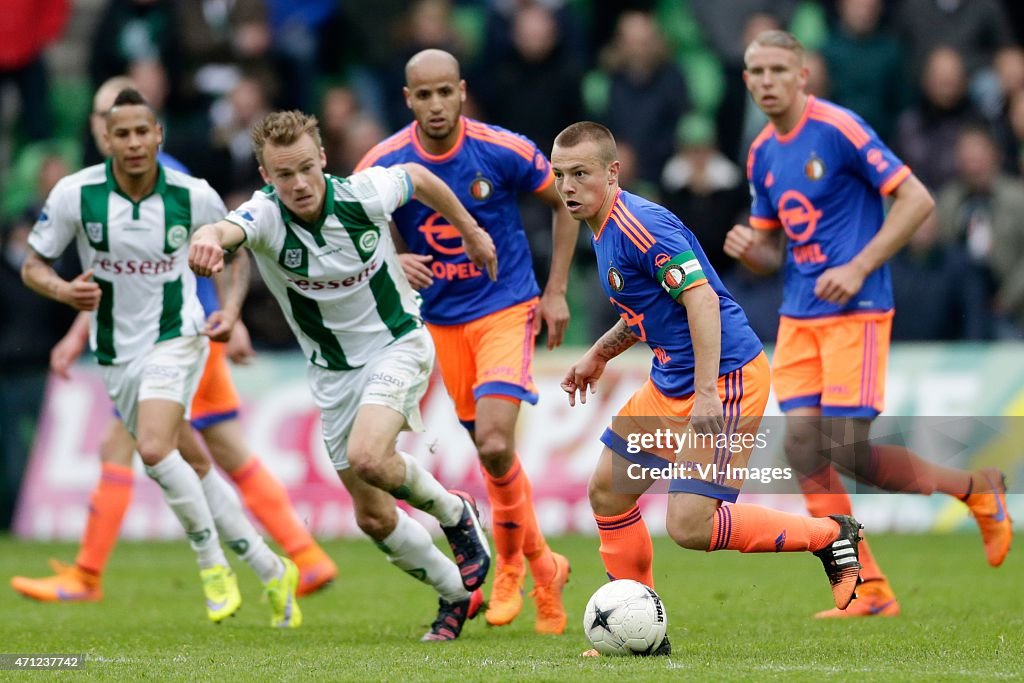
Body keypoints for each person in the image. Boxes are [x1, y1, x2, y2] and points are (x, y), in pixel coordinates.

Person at [10, 76, 337, 605]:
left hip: (185, 334)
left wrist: (228, 317)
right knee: (208, 456)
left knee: (149, 447)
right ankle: (286, 562)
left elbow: (224, 251)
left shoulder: (181, 187)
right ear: (104, 133)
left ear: (155, 131)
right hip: (122, 345)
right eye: (106, 121)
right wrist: (76, 323)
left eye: (138, 127)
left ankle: (101, 574)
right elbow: (105, 276)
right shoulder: (81, 192)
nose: (123, 136)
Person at [723, 30, 1012, 618]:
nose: (767, 81)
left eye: (779, 69)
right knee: (804, 449)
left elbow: (917, 200)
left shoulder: (840, 129)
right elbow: (773, 251)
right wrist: (751, 252)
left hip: (856, 310)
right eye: (757, 72)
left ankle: (976, 490)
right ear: (747, 82)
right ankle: (867, 587)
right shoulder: (760, 154)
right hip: (799, 315)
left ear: (803, 75)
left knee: (848, 450)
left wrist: (857, 267)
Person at [551, 121, 865, 657]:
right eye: (560, 175)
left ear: (612, 172)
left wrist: (707, 394)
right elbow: (645, 310)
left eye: (580, 174)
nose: (567, 187)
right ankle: (640, 630)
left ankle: (831, 536)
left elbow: (699, 299)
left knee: (690, 526)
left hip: (726, 377)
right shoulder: (600, 226)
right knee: (607, 489)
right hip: (673, 378)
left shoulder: (641, 225)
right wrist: (598, 354)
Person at [188, 110, 495, 642]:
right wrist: (209, 244)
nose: (300, 184)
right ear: (266, 176)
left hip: (397, 343)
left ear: (323, 159)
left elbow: (419, 178)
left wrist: (469, 230)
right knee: (373, 518)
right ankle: (455, 593)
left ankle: (455, 512)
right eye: (284, 175)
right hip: (332, 374)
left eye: (307, 168)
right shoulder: (264, 216)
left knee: (370, 457)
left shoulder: (360, 194)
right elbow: (227, 234)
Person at [354, 48, 574, 635]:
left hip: (506, 308)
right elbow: (354, 232)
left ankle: (509, 569)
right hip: (441, 324)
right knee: (491, 454)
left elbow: (567, 205)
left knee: (497, 444)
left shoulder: (501, 149)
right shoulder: (384, 162)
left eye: (444, 92)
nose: (434, 105)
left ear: (461, 92)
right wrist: (396, 258)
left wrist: (555, 291)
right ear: (408, 99)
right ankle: (545, 567)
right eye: (422, 95)